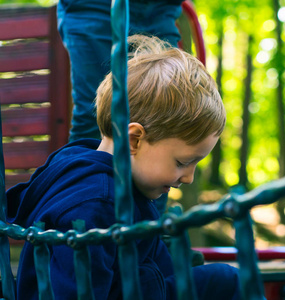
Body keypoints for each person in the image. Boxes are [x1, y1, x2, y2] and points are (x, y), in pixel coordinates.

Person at [6, 35, 241, 300]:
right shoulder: (98, 204)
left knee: (223, 278)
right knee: (231, 281)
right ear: (134, 140)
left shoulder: (82, 163)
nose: (188, 178)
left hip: (140, 285)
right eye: (182, 162)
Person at [57, 0, 184, 142]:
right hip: (95, 7)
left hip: (159, 8)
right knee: (96, 114)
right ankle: (86, 163)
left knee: (168, 110)